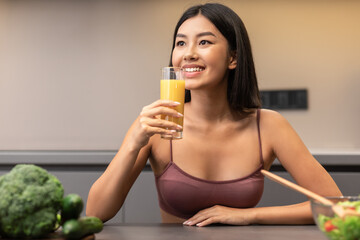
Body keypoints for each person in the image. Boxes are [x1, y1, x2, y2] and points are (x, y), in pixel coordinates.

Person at [86, 3, 342, 226]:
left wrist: (247, 216)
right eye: (181, 43)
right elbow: (95, 213)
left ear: (233, 58)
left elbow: (336, 207)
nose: (188, 53)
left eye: (204, 42)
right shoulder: (157, 123)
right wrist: (132, 144)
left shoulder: (269, 126)